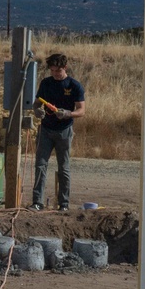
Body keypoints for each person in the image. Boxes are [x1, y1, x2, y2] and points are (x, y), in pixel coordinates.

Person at [29, 52, 86, 212]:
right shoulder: (46, 83)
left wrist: (68, 113)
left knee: (64, 167)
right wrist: (37, 110)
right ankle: (37, 202)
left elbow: (81, 110)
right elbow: (37, 103)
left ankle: (64, 204)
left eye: (58, 71)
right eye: (52, 71)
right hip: (46, 129)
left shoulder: (74, 85)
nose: (55, 74)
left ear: (65, 68)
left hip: (64, 131)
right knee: (40, 165)